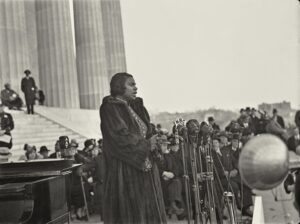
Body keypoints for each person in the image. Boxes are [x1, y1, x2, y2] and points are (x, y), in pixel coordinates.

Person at [99, 72, 166, 223]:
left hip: (146, 170)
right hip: (125, 173)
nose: (136, 88)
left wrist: (156, 141)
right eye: (131, 84)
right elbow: (120, 138)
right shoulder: (110, 108)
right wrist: (148, 144)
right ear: (119, 87)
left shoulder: (135, 107)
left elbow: (146, 132)